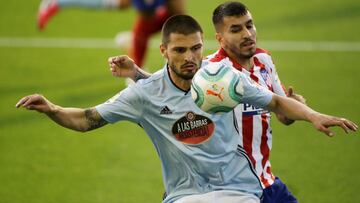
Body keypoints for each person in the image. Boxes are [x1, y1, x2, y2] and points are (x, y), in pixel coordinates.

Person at [16, 15, 357, 203]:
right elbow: (86, 119)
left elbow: (276, 102)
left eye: (195, 48)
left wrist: (314, 116)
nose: (190, 57)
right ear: (164, 50)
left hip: (240, 192)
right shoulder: (144, 95)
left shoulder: (223, 78)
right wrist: (52, 108)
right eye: (180, 50)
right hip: (186, 196)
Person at [37, 0, 185, 67]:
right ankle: (57, 2)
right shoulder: (142, 9)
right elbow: (146, 20)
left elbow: (180, 19)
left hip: (166, 15)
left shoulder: (173, 5)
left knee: (178, 25)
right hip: (149, 19)